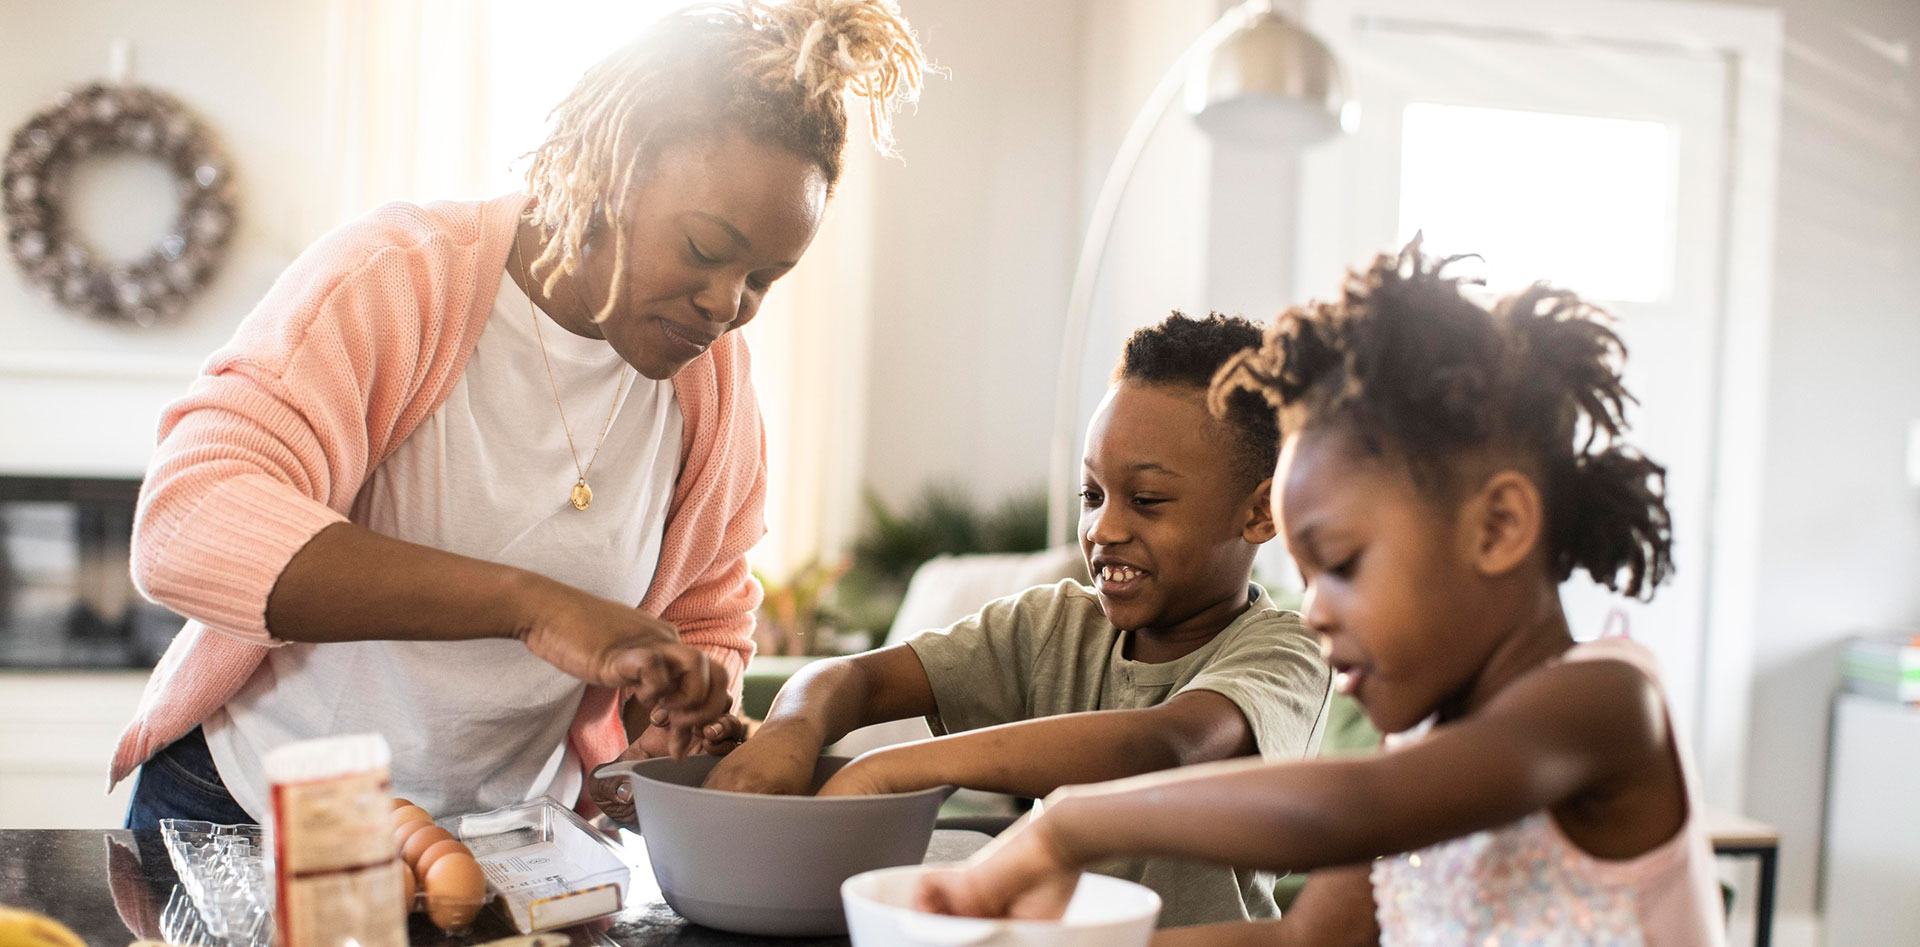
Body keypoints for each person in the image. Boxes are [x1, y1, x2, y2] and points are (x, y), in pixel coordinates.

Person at [114, 0, 927, 828]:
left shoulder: (712, 387)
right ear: (604, 173)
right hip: (250, 814)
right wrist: (536, 607)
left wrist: (674, 716)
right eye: (705, 250)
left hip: (509, 847)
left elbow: (705, 615)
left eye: (764, 278)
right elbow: (188, 521)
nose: (727, 304)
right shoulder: (400, 280)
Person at [918, 241, 1727, 946]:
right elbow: (1309, 937)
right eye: (1306, 577)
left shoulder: (1609, 704)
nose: (1313, 610)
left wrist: (1067, 824)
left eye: (1341, 564)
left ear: (1499, 524)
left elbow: (1354, 806)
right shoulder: (1416, 746)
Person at [686, 313, 1332, 929]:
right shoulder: (1052, 624)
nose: (1102, 528)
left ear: (1259, 513)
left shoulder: (1289, 649)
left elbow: (1161, 745)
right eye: (1092, 494)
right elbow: (853, 679)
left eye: (1146, 500)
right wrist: (788, 730)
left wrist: (887, 767)